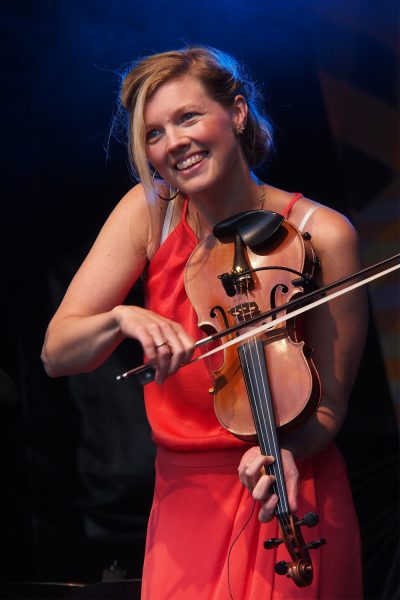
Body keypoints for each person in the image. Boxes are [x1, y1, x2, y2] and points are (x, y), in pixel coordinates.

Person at [41, 46, 367, 599]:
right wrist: (122, 317)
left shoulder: (325, 235)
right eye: (154, 133)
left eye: (188, 117)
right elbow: (57, 352)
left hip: (284, 481)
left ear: (237, 113)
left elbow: (329, 408)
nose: (174, 143)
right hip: (184, 499)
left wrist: (286, 450)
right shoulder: (150, 212)